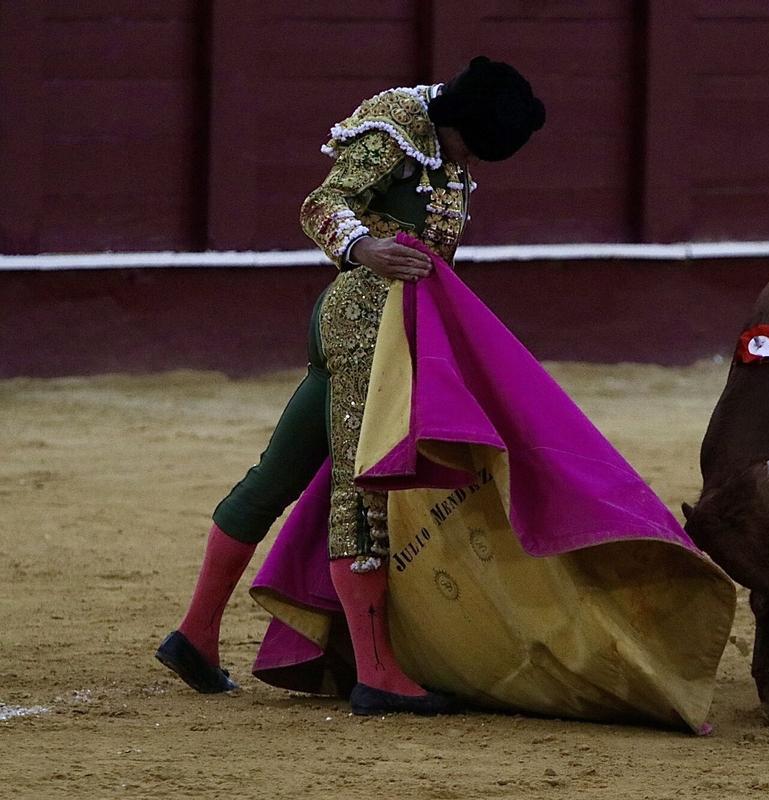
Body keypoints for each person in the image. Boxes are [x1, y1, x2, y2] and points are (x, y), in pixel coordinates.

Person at [155, 56, 546, 715]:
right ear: (455, 124)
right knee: (361, 487)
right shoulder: (394, 126)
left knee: (276, 477)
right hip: (364, 321)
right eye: (466, 147)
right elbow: (322, 202)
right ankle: (376, 672)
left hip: (392, 327)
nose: (466, 162)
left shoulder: (447, 149)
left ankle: (195, 636)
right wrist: (364, 247)